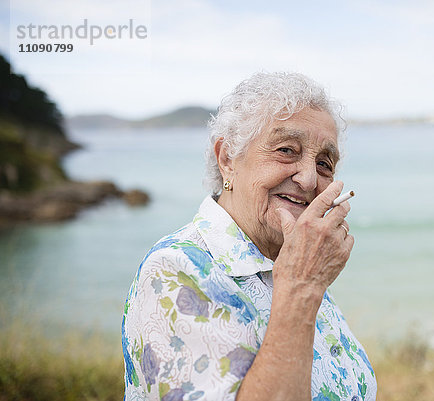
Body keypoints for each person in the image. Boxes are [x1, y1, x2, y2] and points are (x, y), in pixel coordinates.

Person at [122, 72, 377, 401]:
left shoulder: (289, 264)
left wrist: (305, 281)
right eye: (286, 150)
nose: (309, 178)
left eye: (325, 164)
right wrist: (302, 288)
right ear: (227, 158)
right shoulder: (175, 271)